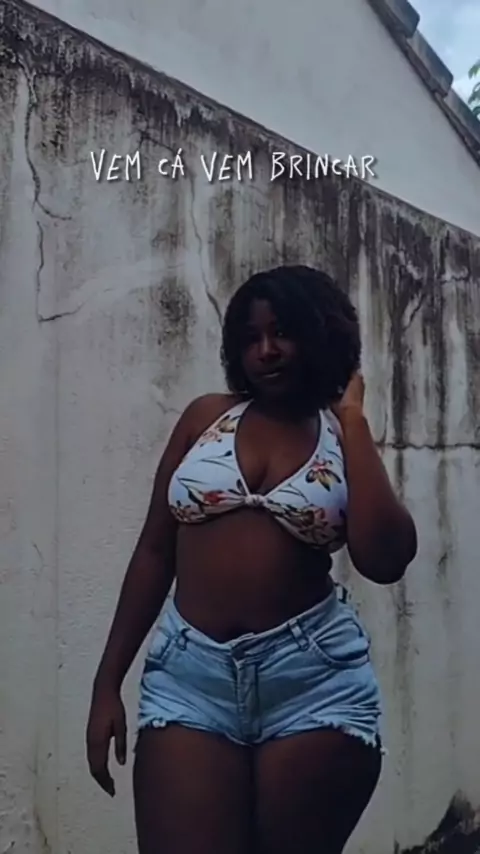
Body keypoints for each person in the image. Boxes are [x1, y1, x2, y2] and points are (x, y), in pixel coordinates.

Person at [86, 265, 417, 854]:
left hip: (312, 682)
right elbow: (155, 552)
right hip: (191, 679)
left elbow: (385, 559)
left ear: (318, 334)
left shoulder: (340, 439)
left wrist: (353, 420)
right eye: (251, 337)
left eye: (282, 332)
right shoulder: (206, 418)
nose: (266, 351)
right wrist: (107, 683)